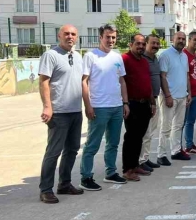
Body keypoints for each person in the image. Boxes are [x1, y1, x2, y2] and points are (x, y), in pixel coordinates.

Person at [37, 24, 84, 204]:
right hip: (59, 113)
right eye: (66, 34)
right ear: (59, 35)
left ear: (77, 37)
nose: (70, 36)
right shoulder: (51, 55)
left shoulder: (78, 56)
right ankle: (46, 189)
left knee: (72, 150)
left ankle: (64, 183)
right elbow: (43, 82)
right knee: (53, 152)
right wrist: (47, 107)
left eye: (73, 34)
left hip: (75, 111)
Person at [80, 24, 130, 191]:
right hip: (99, 107)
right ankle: (86, 177)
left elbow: (122, 81)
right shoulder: (90, 56)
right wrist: (88, 105)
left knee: (113, 143)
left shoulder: (117, 57)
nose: (110, 40)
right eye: (107, 37)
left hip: (116, 106)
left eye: (113, 37)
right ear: (100, 37)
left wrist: (125, 103)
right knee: (92, 144)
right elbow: (84, 82)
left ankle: (111, 172)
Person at [121, 34, 156, 182]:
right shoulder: (124, 59)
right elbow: (121, 82)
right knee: (131, 137)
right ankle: (127, 169)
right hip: (132, 104)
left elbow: (147, 83)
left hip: (145, 104)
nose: (141, 46)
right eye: (138, 44)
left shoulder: (144, 61)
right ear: (131, 44)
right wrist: (125, 103)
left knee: (139, 137)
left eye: (143, 44)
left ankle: (135, 165)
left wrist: (152, 102)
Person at [158, 32, 192, 163]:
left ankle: (176, 151)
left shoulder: (184, 56)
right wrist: (167, 95)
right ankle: (161, 155)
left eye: (183, 39)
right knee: (166, 127)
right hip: (169, 97)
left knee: (178, 126)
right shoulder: (165, 55)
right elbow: (163, 76)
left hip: (182, 97)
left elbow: (186, 75)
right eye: (179, 38)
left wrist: (188, 93)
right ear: (173, 39)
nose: (181, 41)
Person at [139, 34, 162, 171]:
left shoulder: (156, 59)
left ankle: (145, 158)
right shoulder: (142, 59)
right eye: (152, 43)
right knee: (145, 132)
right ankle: (141, 160)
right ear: (146, 43)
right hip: (147, 100)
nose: (155, 46)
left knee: (151, 131)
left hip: (155, 98)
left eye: (157, 43)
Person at [183, 31, 196, 154]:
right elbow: (185, 75)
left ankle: (189, 145)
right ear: (189, 40)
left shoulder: (195, 55)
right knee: (182, 122)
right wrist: (187, 92)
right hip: (187, 94)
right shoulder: (184, 55)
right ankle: (178, 148)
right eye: (195, 40)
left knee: (191, 121)